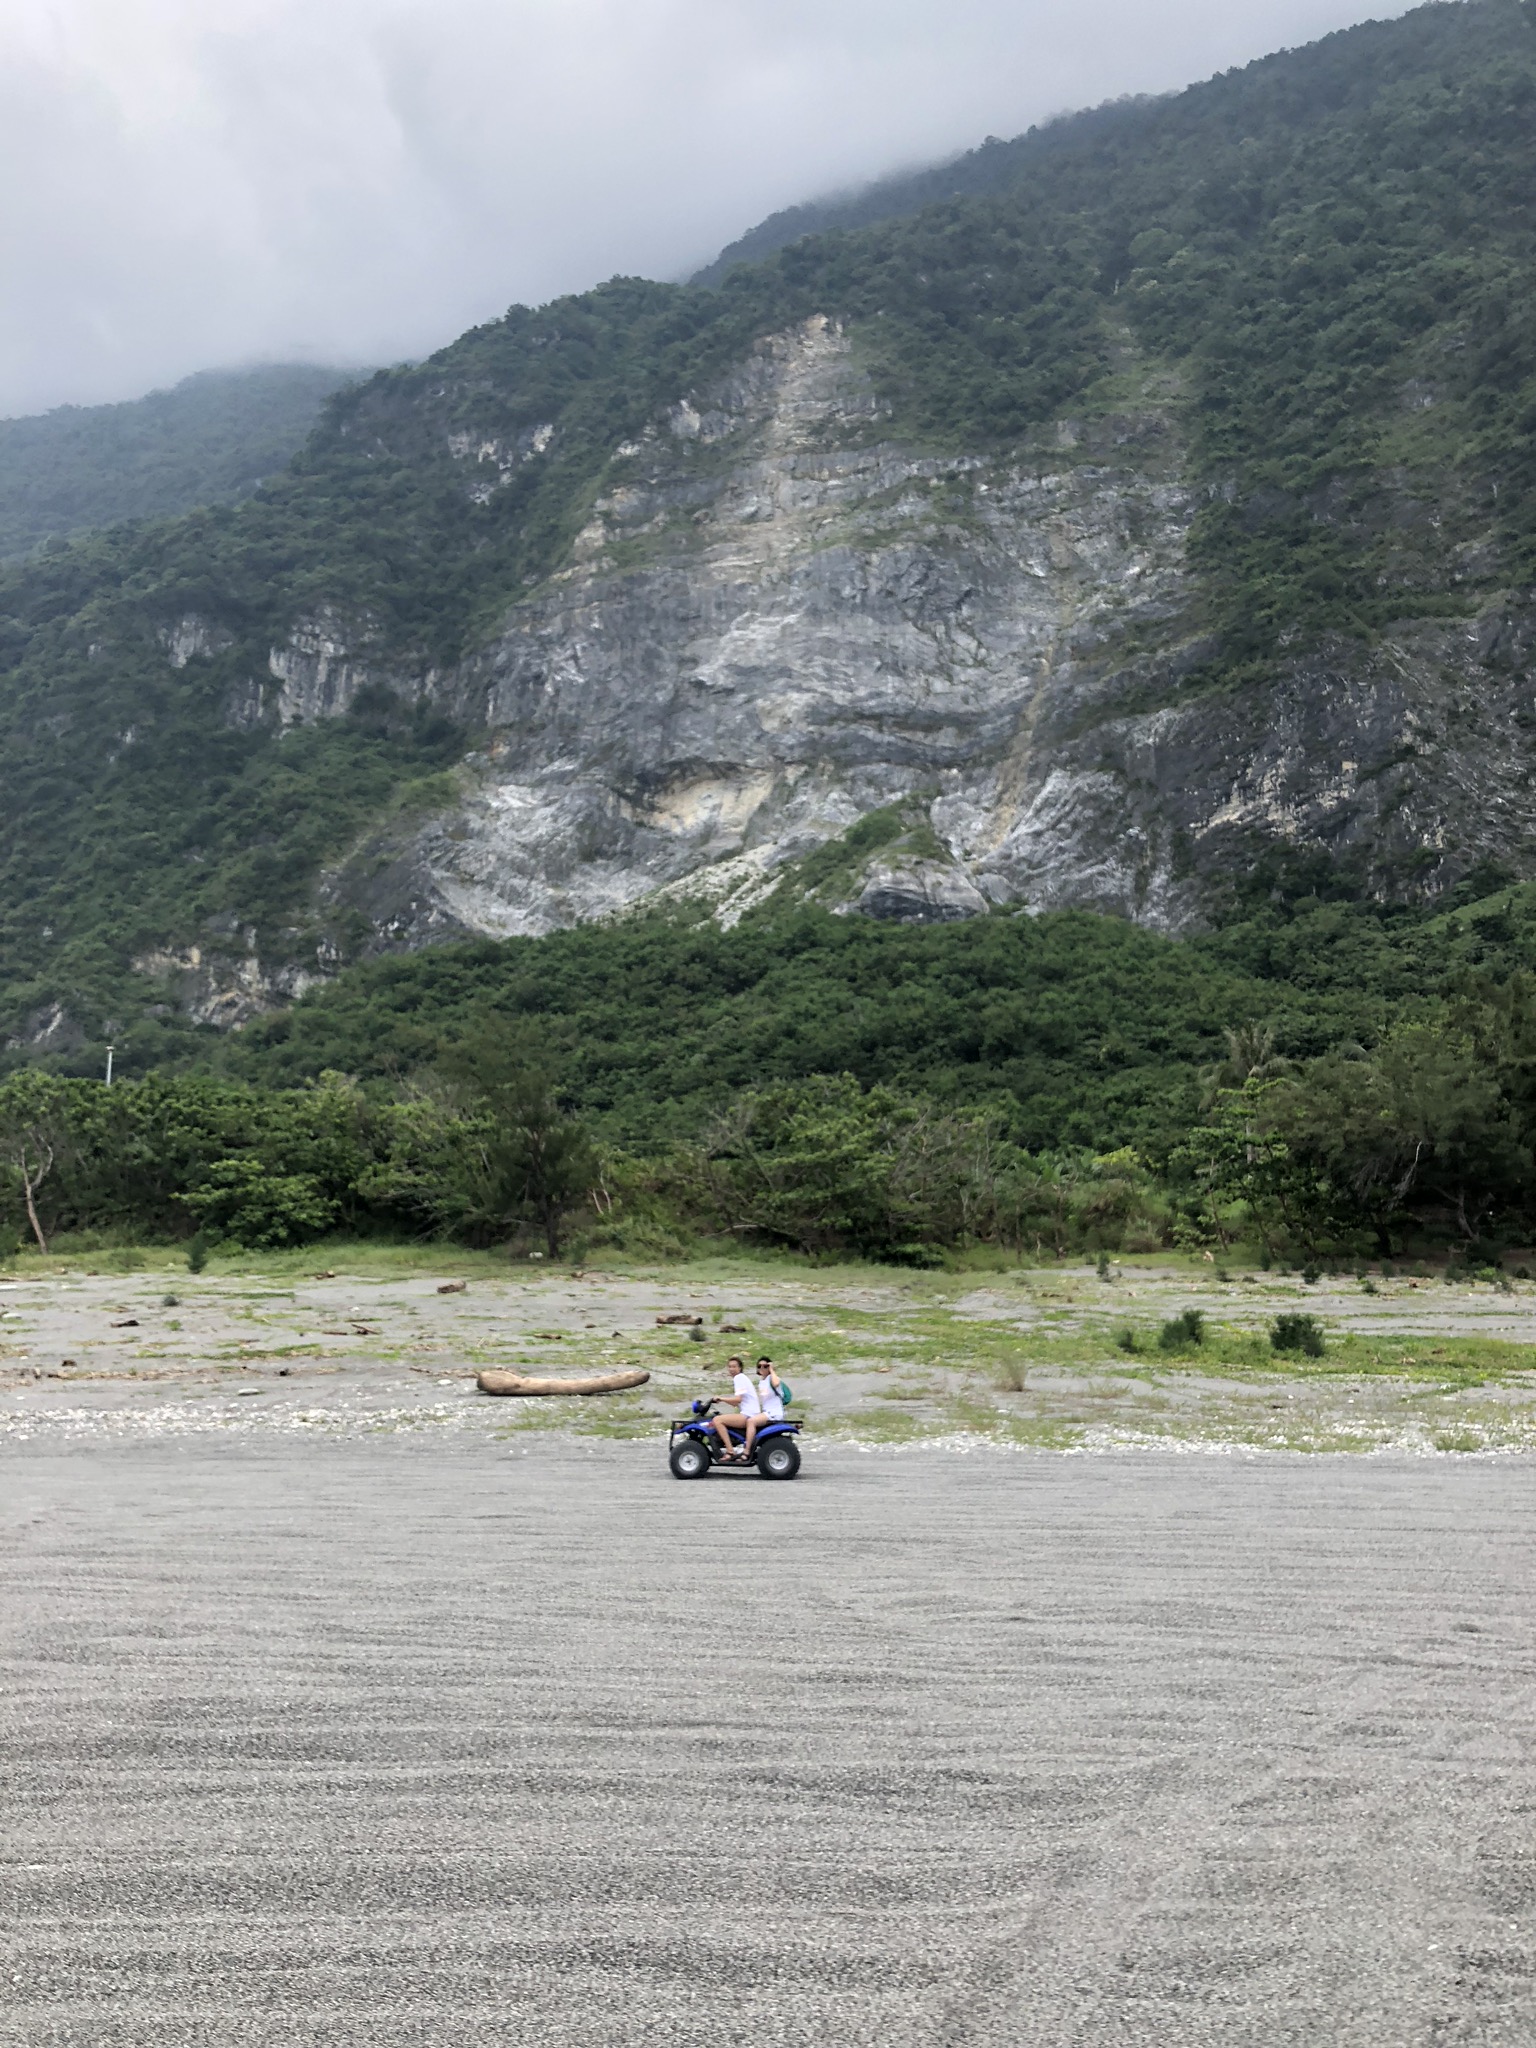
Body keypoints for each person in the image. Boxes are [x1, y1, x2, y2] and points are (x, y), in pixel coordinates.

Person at [709, 1356, 759, 1461]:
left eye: (734, 1366)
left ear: (740, 1368)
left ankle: (730, 1451)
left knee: (717, 1420)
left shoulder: (739, 1378)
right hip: (751, 1413)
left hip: (748, 1415)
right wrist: (723, 1400)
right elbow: (736, 1403)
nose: (731, 1369)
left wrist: (721, 1398)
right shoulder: (742, 1378)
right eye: (730, 1367)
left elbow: (737, 1400)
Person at [742, 1356, 784, 1459]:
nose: (762, 1368)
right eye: (759, 1366)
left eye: (765, 1366)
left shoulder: (772, 1378)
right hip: (766, 1412)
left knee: (751, 1421)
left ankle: (747, 1451)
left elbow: (776, 1383)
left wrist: (772, 1370)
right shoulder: (762, 1382)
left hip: (773, 1413)